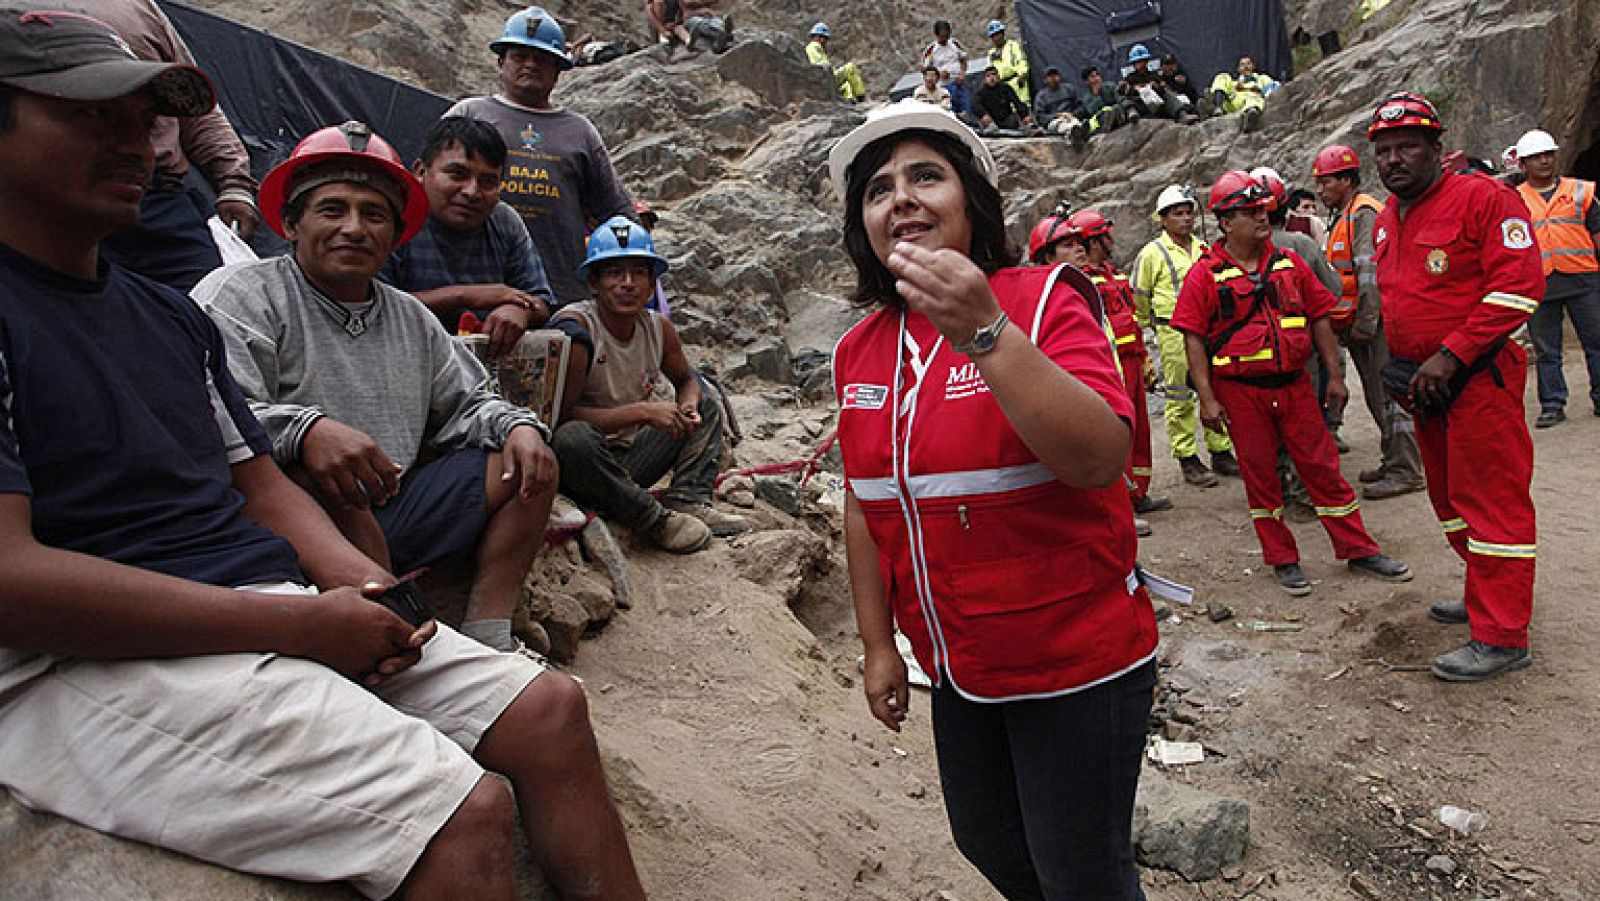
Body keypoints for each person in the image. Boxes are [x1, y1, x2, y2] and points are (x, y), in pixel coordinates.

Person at [0, 10, 645, 898]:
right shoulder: (227, 297)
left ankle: (484, 630)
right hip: (88, 653)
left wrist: (360, 589)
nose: (135, 145)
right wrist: (297, 621)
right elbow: (11, 584)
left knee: (549, 707)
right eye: (90, 115)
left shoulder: (166, 315)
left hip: (265, 589)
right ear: (291, 220)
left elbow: (254, 484)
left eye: (142, 120)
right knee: (460, 806)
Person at [827, 99, 1156, 901]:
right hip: (961, 667)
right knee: (989, 842)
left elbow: (1099, 457)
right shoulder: (858, 348)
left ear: (971, 202)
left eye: (925, 177)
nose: (899, 198)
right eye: (877, 189)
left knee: (1082, 872)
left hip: (1075, 660)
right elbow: (867, 504)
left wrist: (986, 332)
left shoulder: (1042, 300)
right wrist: (879, 646)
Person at [195, 121, 557, 656]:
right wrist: (306, 430)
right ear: (292, 223)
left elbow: (468, 402)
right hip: (287, 519)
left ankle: (491, 635)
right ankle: (392, 622)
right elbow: (213, 414)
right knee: (314, 470)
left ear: (394, 235)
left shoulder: (411, 317)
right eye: (332, 210)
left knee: (530, 463)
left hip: (396, 504)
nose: (355, 228)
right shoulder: (242, 296)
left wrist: (519, 426)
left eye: (374, 214)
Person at [1368, 92, 1543, 681]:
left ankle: (1501, 635)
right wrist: (1404, 362)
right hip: (1427, 386)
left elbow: (1520, 286)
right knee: (1449, 502)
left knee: (1492, 502)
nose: (1394, 160)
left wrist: (1450, 354)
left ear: (1436, 149)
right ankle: (1486, 594)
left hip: (1478, 378)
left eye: (1407, 147)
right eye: (1385, 150)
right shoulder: (1390, 218)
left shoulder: (1483, 197)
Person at [1173, 171, 1412, 596]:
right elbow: (1193, 337)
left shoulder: (1290, 262)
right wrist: (1207, 400)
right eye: (1249, 212)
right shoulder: (1204, 274)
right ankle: (1282, 559)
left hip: (1296, 386)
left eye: (1262, 209)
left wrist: (1335, 376)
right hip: (1242, 392)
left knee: (1323, 467)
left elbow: (1319, 316)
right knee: (1261, 476)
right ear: (1226, 222)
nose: (1261, 217)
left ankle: (1358, 549)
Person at [549, 217, 747, 551]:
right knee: (572, 439)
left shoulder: (657, 328)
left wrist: (687, 406)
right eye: (614, 273)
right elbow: (560, 418)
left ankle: (688, 497)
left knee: (707, 403)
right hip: (584, 464)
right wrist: (641, 412)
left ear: (652, 282)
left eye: (639, 273)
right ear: (594, 283)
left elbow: (687, 380)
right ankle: (654, 520)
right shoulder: (577, 328)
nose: (627, 283)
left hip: (630, 460)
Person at [59, 0, 257, 292]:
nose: (135, 140)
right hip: (62, 198)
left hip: (159, 201)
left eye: (148, 120)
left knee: (209, 304)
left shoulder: (139, 6)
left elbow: (196, 109)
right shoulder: (18, 19)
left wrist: (234, 182)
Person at [445, 7, 635, 308]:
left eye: (543, 59)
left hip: (561, 292)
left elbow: (615, 210)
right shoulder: (469, 114)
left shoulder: (580, 131)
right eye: (520, 56)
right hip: (474, 287)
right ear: (500, 61)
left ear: (559, 70)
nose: (531, 65)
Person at [380, 115, 557, 359]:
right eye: (457, 175)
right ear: (420, 172)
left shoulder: (504, 221)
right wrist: (466, 296)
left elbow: (541, 300)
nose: (472, 192)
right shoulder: (392, 219)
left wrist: (519, 311)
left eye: (488, 182)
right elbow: (372, 305)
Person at [1310, 144, 1426, 497]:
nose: (1320, 190)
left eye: (1325, 182)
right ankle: (1395, 460)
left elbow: (1369, 273)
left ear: (1346, 180)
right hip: (1359, 323)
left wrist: (1366, 321)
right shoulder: (1345, 214)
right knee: (1379, 395)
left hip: (1375, 324)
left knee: (1390, 396)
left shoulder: (1363, 214)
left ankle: (1407, 468)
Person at [1068, 209, 1171, 520]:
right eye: (1105, 235)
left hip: (1133, 360)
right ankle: (1121, 502)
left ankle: (1138, 492)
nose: (1112, 240)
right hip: (1109, 365)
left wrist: (1145, 361)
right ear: (1094, 241)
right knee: (1118, 432)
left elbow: (1132, 320)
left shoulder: (1116, 275)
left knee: (1139, 430)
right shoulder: (1082, 282)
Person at [1132, 184, 1239, 487]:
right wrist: (1146, 327)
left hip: (1208, 331)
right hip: (1172, 331)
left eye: (1189, 212)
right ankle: (1188, 458)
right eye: (1177, 213)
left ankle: (1220, 451)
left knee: (1213, 389)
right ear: (1163, 219)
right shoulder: (1152, 254)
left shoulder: (1204, 249)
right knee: (1180, 394)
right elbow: (1139, 295)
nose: (1186, 218)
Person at [1512, 128, 1600, 427]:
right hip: (1540, 283)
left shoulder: (1581, 191)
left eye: (1548, 155)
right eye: (1536, 157)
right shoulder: (1514, 200)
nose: (1544, 161)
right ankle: (1552, 404)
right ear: (1523, 164)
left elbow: (1597, 232)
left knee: (1596, 342)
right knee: (1546, 349)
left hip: (1582, 278)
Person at [1118, 44, 1189, 122]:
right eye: (1138, 62)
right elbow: (1125, 92)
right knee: (1124, 99)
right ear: (1133, 64)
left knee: (1167, 95)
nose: (1141, 64)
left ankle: (1182, 114)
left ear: (1147, 61)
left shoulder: (1154, 75)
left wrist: (1156, 87)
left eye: (1143, 61)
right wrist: (1134, 88)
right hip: (1141, 106)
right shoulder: (1129, 78)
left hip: (1157, 105)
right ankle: (1132, 113)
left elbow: (1163, 89)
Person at [1208, 56, 1277, 133]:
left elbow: (1273, 88)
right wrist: (1235, 87)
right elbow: (1227, 89)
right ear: (1238, 69)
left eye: (1248, 64)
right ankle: (1217, 106)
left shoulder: (1262, 78)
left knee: (1254, 98)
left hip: (1252, 100)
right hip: (1234, 101)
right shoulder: (1234, 82)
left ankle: (1250, 119)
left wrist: (1260, 90)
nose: (1246, 67)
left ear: (1253, 66)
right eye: (1242, 65)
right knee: (1222, 76)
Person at [1069, 66, 1132, 149]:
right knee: (1090, 122)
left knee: (1114, 109)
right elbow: (1093, 111)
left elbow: (1121, 99)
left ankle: (1090, 134)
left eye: (1097, 75)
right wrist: (1096, 95)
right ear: (1087, 82)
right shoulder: (1087, 98)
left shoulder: (1111, 86)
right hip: (1100, 119)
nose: (1096, 79)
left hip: (1118, 116)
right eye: (1092, 77)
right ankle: (1081, 135)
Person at [806, 22, 866, 103]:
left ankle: (849, 101)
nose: (825, 41)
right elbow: (819, 64)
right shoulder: (814, 46)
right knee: (850, 68)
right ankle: (860, 97)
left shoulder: (816, 48)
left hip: (824, 79)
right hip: (825, 78)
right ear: (817, 36)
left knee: (845, 85)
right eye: (824, 38)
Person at [921, 19, 968, 114]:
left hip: (958, 83)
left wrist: (962, 74)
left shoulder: (954, 43)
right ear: (937, 35)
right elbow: (924, 69)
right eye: (942, 37)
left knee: (965, 109)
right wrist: (938, 74)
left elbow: (963, 59)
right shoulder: (931, 49)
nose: (945, 39)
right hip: (943, 87)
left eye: (947, 36)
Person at [973, 65, 1031, 132]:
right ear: (985, 79)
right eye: (988, 76)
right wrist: (983, 114)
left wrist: (1024, 116)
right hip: (991, 122)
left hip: (1006, 120)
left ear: (998, 76)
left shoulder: (1005, 88)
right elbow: (975, 105)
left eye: (993, 74)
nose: (991, 78)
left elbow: (1017, 102)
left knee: (1015, 120)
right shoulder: (981, 92)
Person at [984, 19, 1029, 105]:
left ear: (1003, 33)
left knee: (1023, 109)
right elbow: (989, 72)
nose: (997, 38)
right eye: (994, 35)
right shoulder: (991, 53)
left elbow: (1022, 61)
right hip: (1001, 87)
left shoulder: (1013, 46)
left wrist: (1022, 74)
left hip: (1016, 83)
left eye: (998, 34)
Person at [1032, 66, 1078, 135]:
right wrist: (1056, 116)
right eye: (1050, 76)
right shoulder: (1041, 96)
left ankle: (1078, 130)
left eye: (1055, 75)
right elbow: (1040, 117)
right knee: (1063, 125)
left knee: (1075, 122)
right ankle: (1074, 131)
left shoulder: (1068, 89)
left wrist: (1072, 114)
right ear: (1045, 80)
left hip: (1070, 118)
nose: (1053, 78)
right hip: (1054, 122)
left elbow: (1078, 105)